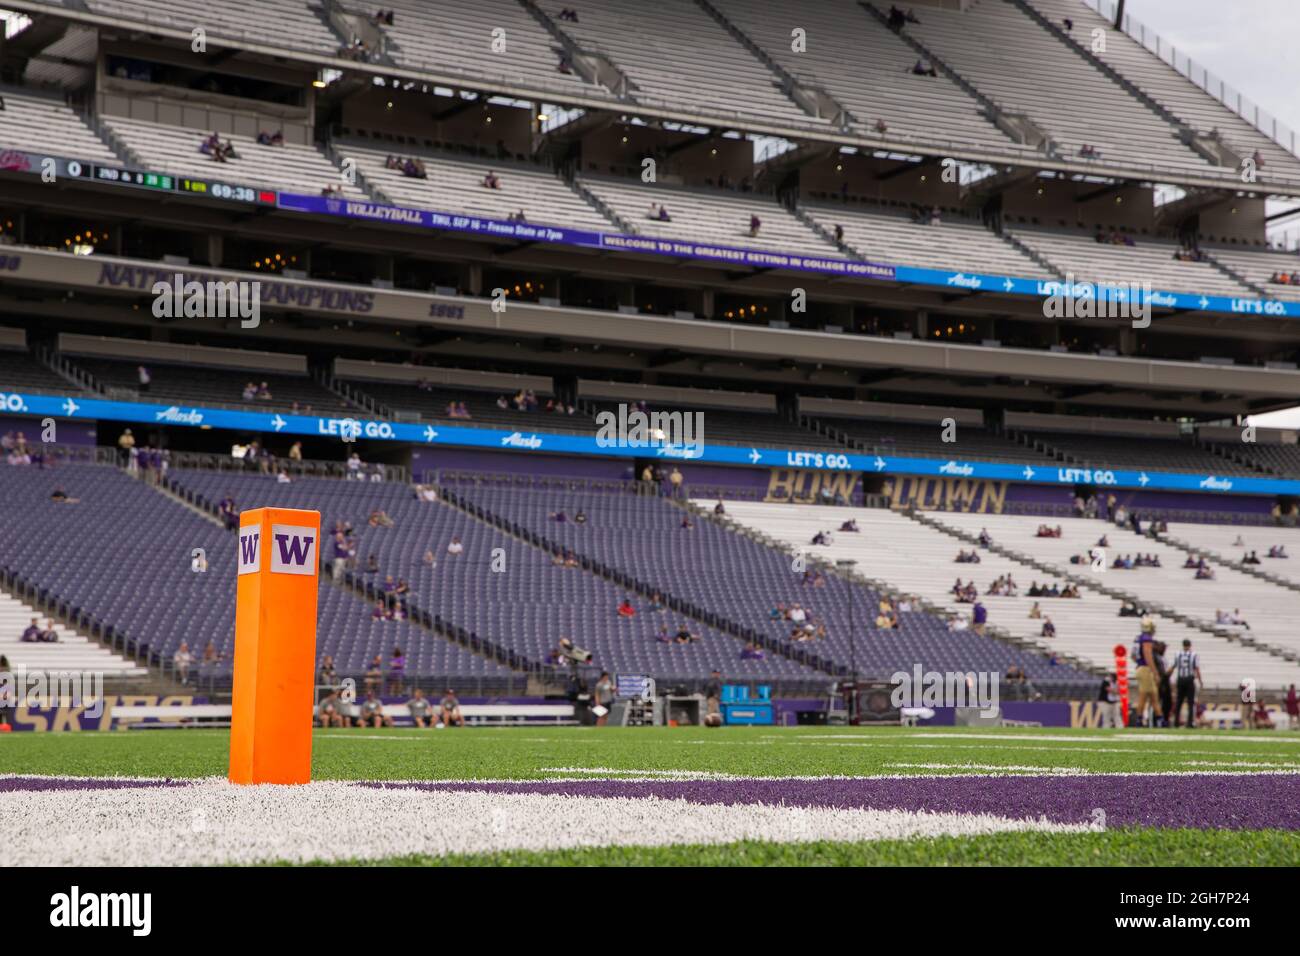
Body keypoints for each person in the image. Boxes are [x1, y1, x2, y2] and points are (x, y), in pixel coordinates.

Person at [1133, 624, 1164, 727]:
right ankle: (1139, 721)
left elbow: (1132, 655)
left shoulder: (1138, 638)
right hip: (1145, 669)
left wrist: (1139, 664)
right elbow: (1148, 656)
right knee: (1144, 697)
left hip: (1141, 668)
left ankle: (1160, 720)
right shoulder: (1146, 639)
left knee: (1154, 696)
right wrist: (1155, 672)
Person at [1171, 639, 1201, 728]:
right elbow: (1197, 669)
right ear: (1190, 645)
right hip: (1189, 679)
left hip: (1180, 679)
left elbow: (1173, 666)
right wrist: (1200, 680)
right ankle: (1190, 723)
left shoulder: (1178, 654)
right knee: (1190, 703)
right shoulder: (1194, 655)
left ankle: (1176, 722)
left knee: (1179, 702)